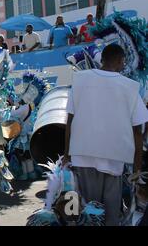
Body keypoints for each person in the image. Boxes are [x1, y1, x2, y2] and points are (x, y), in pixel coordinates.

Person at [63, 44, 148, 226]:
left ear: (102, 59)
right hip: (114, 160)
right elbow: (138, 131)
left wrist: (66, 155)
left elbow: (69, 120)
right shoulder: (130, 87)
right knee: (111, 217)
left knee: (86, 215)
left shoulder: (79, 80)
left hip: (82, 157)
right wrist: (137, 169)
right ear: (120, 60)